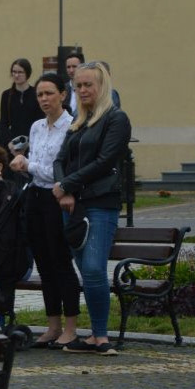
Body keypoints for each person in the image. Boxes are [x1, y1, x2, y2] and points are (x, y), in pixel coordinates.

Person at [53, 61, 131, 356]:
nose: (83, 90)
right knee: (85, 271)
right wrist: (64, 188)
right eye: (79, 86)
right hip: (72, 207)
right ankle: (93, 337)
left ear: (102, 87)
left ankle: (100, 336)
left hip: (100, 203)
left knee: (94, 269)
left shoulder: (116, 119)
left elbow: (105, 161)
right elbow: (59, 160)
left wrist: (67, 185)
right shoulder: (77, 122)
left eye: (88, 85)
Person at [10, 72, 79, 349]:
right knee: (44, 263)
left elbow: (63, 172)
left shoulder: (72, 127)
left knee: (61, 261)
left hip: (58, 198)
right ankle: (53, 325)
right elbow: (35, 165)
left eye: (49, 93)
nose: (44, 99)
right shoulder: (37, 126)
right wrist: (20, 163)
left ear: (62, 94)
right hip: (35, 197)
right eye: (40, 94)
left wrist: (29, 165)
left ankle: (71, 327)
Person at [0, 58, 42, 153]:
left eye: (20, 72)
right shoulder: (6, 95)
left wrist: (30, 142)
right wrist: (9, 143)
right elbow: (3, 123)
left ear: (27, 74)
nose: (16, 75)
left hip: (33, 143)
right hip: (12, 144)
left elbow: (40, 120)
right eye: (14, 72)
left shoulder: (36, 94)